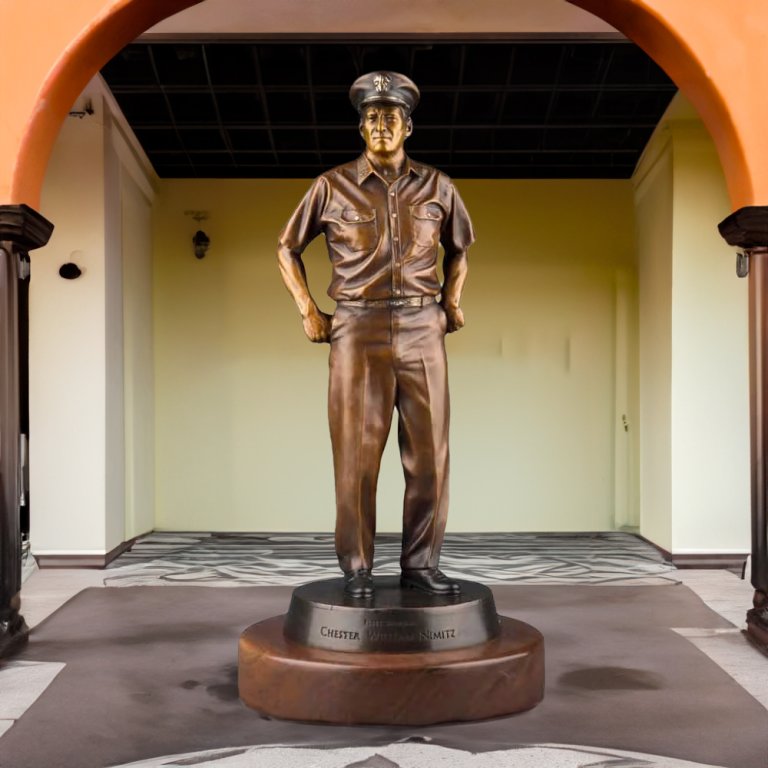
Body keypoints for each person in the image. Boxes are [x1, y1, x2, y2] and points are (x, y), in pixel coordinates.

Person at [277, 71, 475, 598]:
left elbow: (460, 248)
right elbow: (286, 248)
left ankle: (421, 565)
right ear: (360, 127)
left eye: (390, 117)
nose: (380, 124)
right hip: (356, 327)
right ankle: (357, 569)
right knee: (357, 457)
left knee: (431, 456)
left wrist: (450, 303)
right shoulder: (330, 185)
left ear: (407, 126)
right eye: (371, 117)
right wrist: (308, 311)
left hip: (421, 326)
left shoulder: (439, 186)